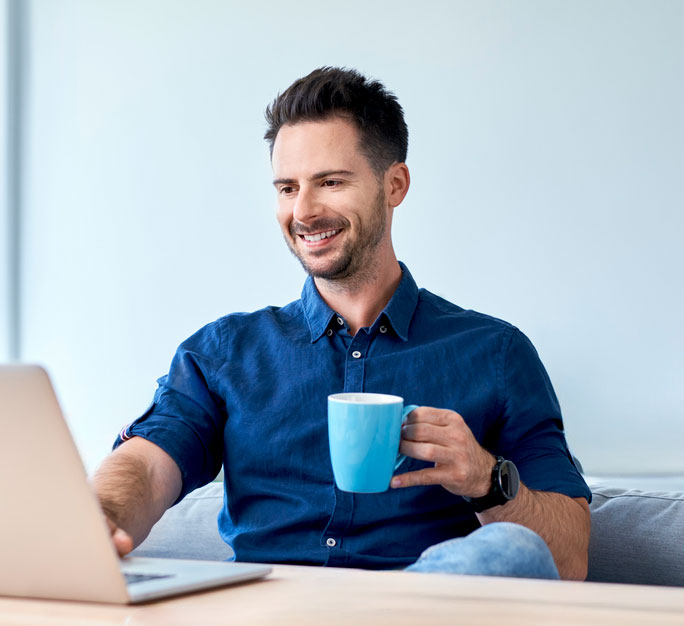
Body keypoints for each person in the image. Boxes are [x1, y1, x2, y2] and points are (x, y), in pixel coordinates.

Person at [93, 67, 591, 581]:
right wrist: (99, 516)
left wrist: (487, 479)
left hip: (423, 622)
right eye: (287, 188)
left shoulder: (496, 354)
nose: (303, 211)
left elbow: (568, 558)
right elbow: (148, 464)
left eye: (330, 182)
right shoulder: (224, 353)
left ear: (393, 185)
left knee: (507, 550)